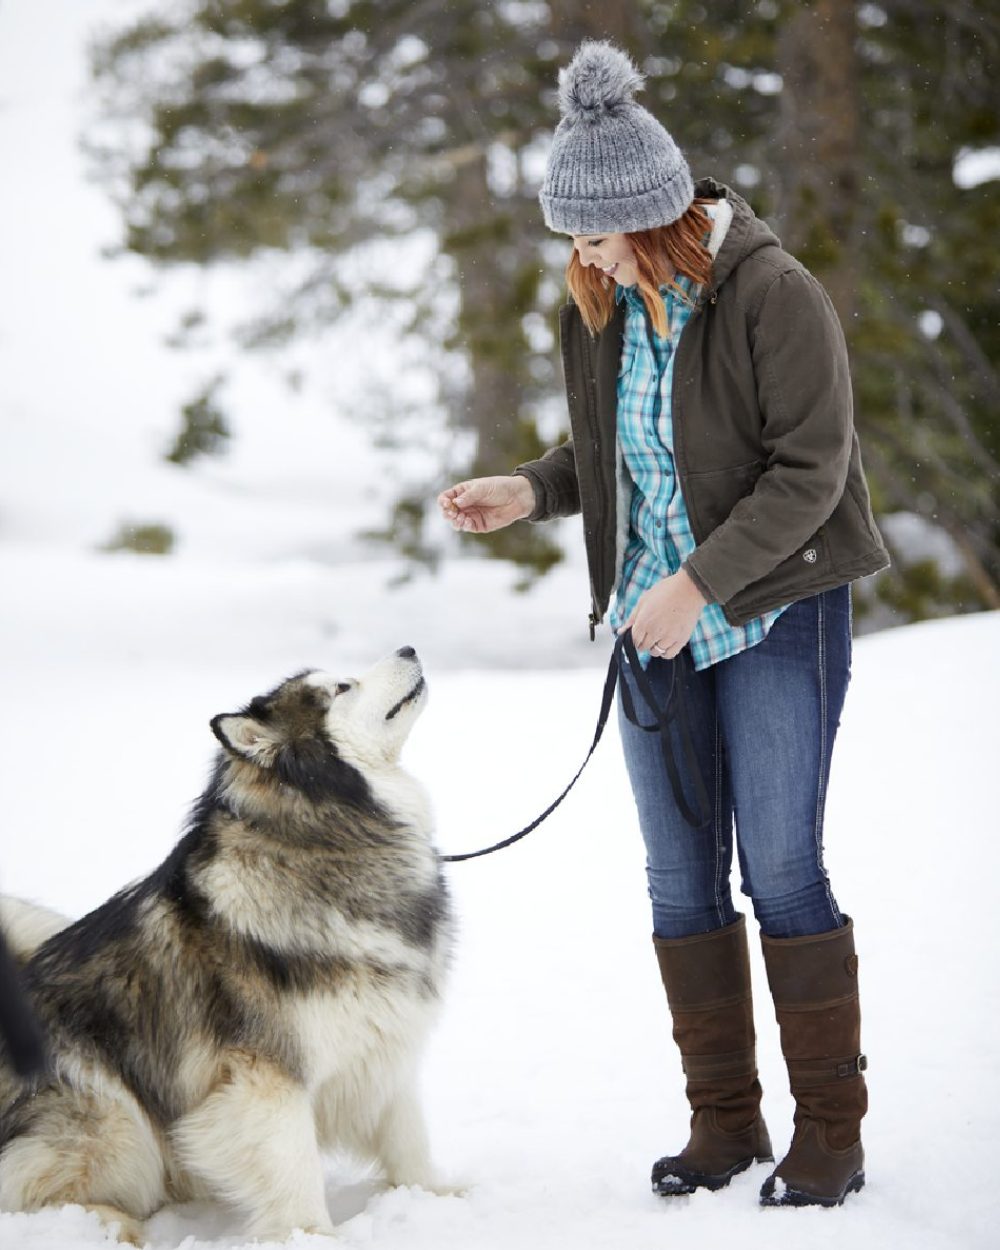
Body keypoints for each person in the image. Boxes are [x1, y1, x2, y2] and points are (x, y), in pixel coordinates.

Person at [438, 40, 888, 1209]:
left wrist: (699, 580)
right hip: (653, 623)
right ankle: (723, 1122)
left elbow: (809, 471)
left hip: (774, 607)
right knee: (679, 876)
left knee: (781, 865)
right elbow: (620, 457)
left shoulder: (771, 295)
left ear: (649, 213)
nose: (577, 255)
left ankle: (828, 1131)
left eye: (590, 233)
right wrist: (531, 489)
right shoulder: (598, 308)